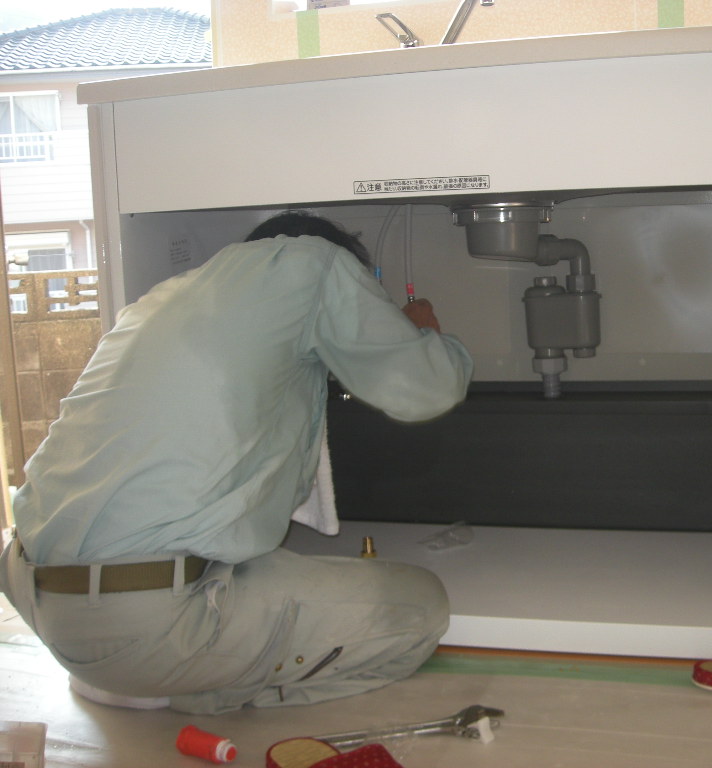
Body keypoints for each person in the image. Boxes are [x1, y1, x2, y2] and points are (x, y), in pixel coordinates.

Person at [0, 211, 473, 714]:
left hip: (32, 590)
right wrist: (425, 334)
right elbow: (428, 388)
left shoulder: (166, 298)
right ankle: (173, 682)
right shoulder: (316, 262)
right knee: (421, 605)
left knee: (261, 571)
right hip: (140, 617)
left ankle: (128, 667)